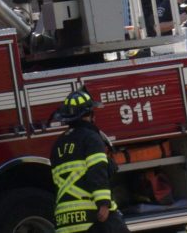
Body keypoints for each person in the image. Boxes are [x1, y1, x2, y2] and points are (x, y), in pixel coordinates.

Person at [50, 90, 129, 233]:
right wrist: (103, 203)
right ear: (90, 114)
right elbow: (97, 170)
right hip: (91, 214)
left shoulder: (58, 144)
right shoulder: (91, 138)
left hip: (64, 220)